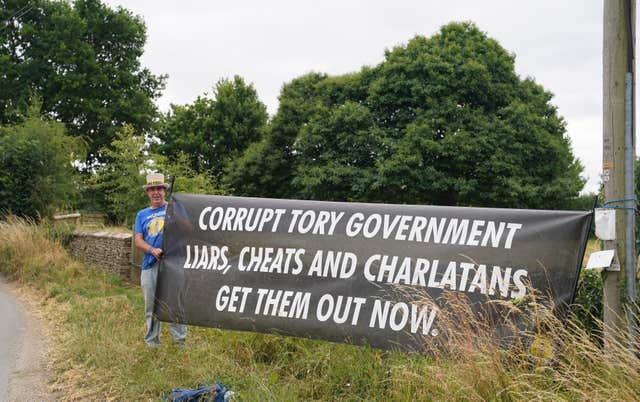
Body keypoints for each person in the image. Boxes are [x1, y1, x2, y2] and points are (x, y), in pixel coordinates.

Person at [134, 172, 187, 347]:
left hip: (172, 264)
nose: (155, 192)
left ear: (164, 191)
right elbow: (138, 240)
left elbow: (187, 229)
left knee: (174, 304)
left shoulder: (174, 208)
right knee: (151, 306)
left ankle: (180, 343)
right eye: (152, 189)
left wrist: (175, 212)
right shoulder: (141, 214)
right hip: (150, 265)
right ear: (147, 193)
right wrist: (151, 250)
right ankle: (152, 343)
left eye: (159, 189)